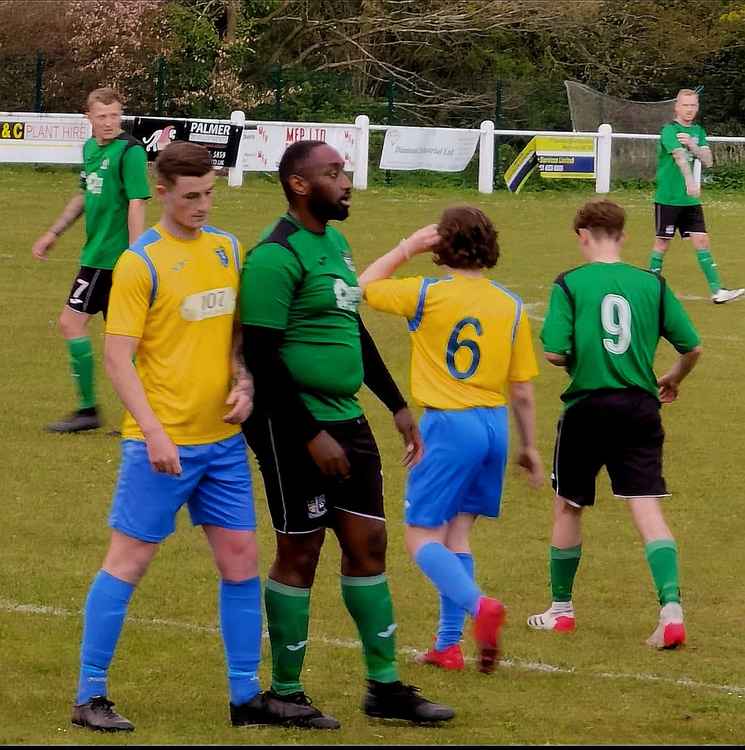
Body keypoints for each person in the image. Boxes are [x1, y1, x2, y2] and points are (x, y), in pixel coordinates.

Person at [71, 141, 323, 733]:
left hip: (223, 445)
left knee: (240, 561)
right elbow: (116, 359)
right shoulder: (142, 262)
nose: (202, 205)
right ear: (162, 192)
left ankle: (244, 697)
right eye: (190, 197)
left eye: (209, 193)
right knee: (127, 563)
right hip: (160, 448)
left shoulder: (228, 250)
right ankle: (90, 695)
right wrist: (154, 433)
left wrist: (244, 378)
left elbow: (237, 333)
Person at [239, 140, 454, 727]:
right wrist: (309, 433)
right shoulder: (272, 257)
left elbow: (351, 326)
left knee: (369, 546)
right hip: (292, 431)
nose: (347, 181)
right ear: (299, 185)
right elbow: (258, 355)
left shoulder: (335, 244)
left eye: (345, 170)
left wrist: (396, 405)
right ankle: (285, 691)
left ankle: (383, 688)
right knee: (300, 551)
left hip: (348, 422)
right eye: (333, 173)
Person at [358, 206, 543, 674]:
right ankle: (448, 645)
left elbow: (363, 287)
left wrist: (405, 248)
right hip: (493, 425)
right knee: (457, 533)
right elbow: (521, 389)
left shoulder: (427, 295)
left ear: (440, 247)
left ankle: (480, 607)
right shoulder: (511, 305)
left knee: (421, 537)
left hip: (448, 425)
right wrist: (529, 446)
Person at [529, 198, 702, 649]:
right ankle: (671, 611)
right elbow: (692, 347)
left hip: (588, 407)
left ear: (581, 235)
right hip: (640, 407)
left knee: (568, 503)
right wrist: (673, 378)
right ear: (624, 236)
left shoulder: (569, 283)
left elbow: (553, 351)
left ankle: (561, 610)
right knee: (647, 507)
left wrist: (578, 358)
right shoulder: (652, 283)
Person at [31, 87, 151, 433]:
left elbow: (137, 203)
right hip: (95, 257)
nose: (110, 122)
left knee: (78, 326)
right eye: (102, 117)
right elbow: (85, 194)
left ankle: (92, 411)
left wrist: (135, 256)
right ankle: (129, 415)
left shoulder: (130, 151)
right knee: (124, 341)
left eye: (115, 115)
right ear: (89, 118)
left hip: (112, 262)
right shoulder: (89, 149)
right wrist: (54, 233)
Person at [649, 88, 743, 304]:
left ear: (697, 107)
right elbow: (680, 158)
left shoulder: (698, 131)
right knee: (662, 243)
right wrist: (691, 182)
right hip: (669, 198)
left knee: (702, 240)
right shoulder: (669, 130)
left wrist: (692, 143)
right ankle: (651, 289)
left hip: (690, 201)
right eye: (685, 105)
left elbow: (708, 160)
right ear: (676, 107)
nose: (689, 109)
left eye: (693, 105)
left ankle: (717, 291)